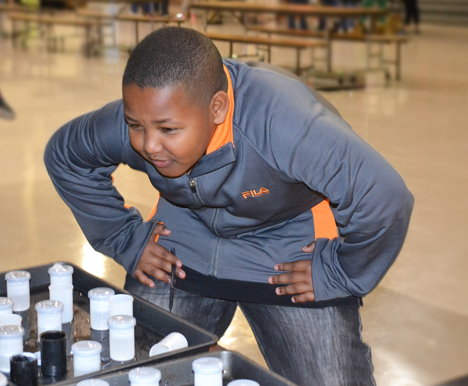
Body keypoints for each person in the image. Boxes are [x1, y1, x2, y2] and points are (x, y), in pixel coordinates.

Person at [44, 27, 414, 385]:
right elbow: (65, 155)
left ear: (217, 108)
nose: (149, 145)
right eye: (135, 125)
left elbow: (384, 198)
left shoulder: (282, 121)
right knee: (138, 369)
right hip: (185, 239)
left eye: (168, 130)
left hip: (285, 247)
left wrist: (338, 272)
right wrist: (126, 240)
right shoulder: (148, 117)